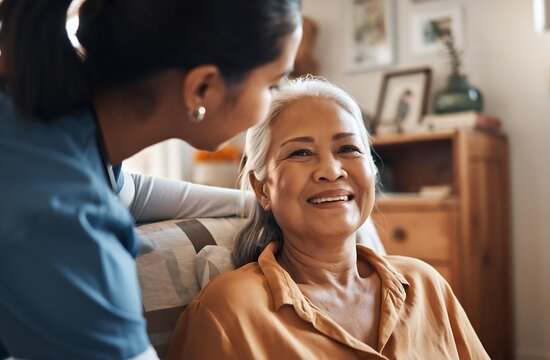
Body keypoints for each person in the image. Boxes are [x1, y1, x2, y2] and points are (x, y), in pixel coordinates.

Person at [0, 0, 302, 358]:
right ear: (202, 88)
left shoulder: (59, 121)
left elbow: (131, 193)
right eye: (273, 84)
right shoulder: (65, 221)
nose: (270, 102)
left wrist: (263, 203)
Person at [168, 77, 489, 359]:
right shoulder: (228, 310)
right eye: (301, 153)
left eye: (348, 148)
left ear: (372, 172)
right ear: (261, 188)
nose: (331, 170)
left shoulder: (426, 284)